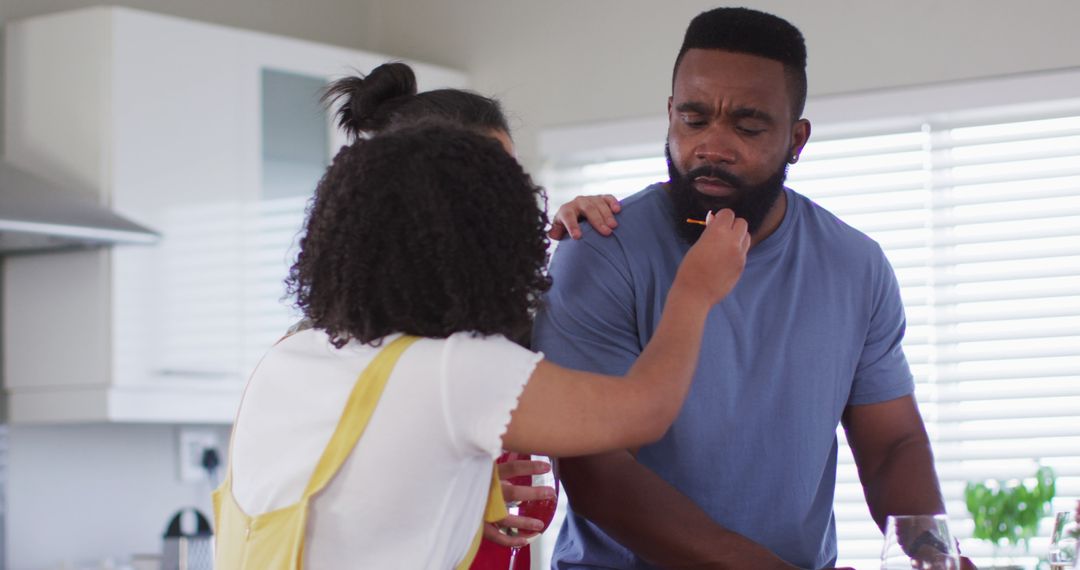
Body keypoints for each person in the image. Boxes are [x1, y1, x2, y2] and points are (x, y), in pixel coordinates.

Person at [533, 7, 974, 570]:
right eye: (694, 120)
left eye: (747, 126)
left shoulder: (856, 265)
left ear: (797, 139)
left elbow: (892, 447)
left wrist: (937, 557)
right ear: (669, 115)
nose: (714, 145)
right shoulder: (599, 251)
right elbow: (597, 472)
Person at [213, 122, 751, 568]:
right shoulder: (455, 371)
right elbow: (647, 410)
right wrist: (695, 289)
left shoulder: (289, 357)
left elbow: (355, 506)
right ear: (489, 247)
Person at [294, 62, 624, 569]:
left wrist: (576, 249)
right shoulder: (322, 349)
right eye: (488, 181)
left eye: (512, 178)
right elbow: (318, 501)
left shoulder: (500, 324)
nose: (510, 201)